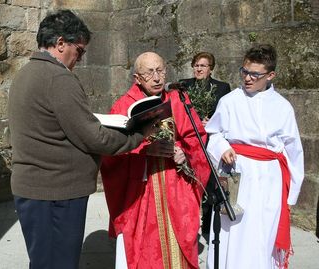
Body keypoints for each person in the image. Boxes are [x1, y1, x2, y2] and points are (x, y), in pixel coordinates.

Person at [7, 10, 150, 269]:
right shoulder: (58, 77)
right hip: (56, 193)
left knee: (43, 260)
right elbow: (92, 137)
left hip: (37, 189)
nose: (80, 59)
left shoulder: (26, 73)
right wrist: (137, 136)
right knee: (58, 263)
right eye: (80, 51)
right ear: (61, 43)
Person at [100, 52, 211, 269]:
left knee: (179, 238)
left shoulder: (178, 100)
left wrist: (184, 154)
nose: (157, 78)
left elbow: (196, 136)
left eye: (160, 71)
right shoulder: (123, 105)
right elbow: (111, 150)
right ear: (137, 78)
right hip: (139, 188)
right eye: (149, 73)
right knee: (141, 246)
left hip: (175, 184)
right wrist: (142, 148)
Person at [205, 44, 304, 269]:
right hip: (238, 174)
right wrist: (222, 149)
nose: (248, 78)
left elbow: (293, 150)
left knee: (262, 234)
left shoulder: (282, 107)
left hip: (269, 180)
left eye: (255, 74)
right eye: (245, 71)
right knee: (234, 232)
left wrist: (291, 196)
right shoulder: (230, 100)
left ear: (270, 75)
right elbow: (214, 133)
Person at [180, 52, 231, 239]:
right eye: (196, 65)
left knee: (211, 185)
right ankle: (187, 225)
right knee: (189, 184)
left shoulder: (222, 88)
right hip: (190, 141)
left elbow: (226, 115)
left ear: (211, 69)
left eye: (203, 66)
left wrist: (211, 122)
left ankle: (208, 227)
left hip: (210, 142)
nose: (199, 69)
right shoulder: (184, 85)